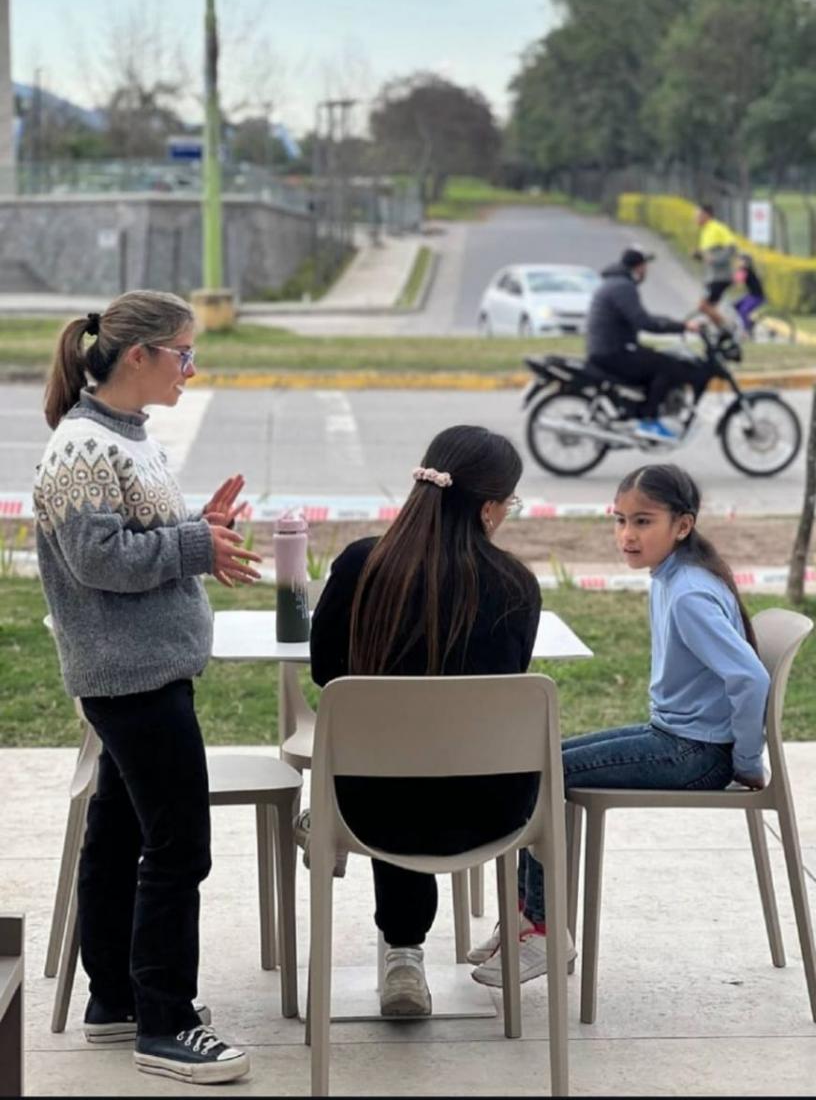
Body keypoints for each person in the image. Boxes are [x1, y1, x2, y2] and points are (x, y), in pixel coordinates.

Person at [34, 290, 263, 1085]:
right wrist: (196, 543)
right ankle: (164, 1022)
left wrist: (200, 530)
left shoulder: (124, 439)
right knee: (178, 846)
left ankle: (115, 1003)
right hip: (130, 677)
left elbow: (133, 540)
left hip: (146, 668)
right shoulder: (83, 448)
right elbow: (97, 561)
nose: (191, 370)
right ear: (139, 356)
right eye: (183, 354)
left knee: (122, 832)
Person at [469, 462, 770, 989]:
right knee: (535, 759)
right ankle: (525, 918)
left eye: (643, 522)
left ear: (682, 525)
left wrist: (746, 761)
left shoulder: (691, 593)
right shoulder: (673, 577)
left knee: (541, 771)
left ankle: (541, 928)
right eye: (620, 520)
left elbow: (750, 678)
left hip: (695, 754)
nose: (627, 536)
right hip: (677, 739)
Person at [309, 425, 542, 1019]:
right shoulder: (516, 585)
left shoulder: (362, 564)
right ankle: (416, 954)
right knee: (429, 765)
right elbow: (506, 684)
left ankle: (402, 953)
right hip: (495, 811)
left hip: (370, 814)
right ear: (490, 507)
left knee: (394, 768)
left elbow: (324, 675)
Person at [586, 246, 706, 441]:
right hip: (612, 352)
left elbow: (640, 320)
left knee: (655, 358)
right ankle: (649, 421)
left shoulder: (615, 283)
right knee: (667, 366)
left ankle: (645, 410)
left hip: (610, 348)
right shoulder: (623, 286)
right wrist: (682, 326)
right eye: (645, 266)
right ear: (639, 267)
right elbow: (644, 322)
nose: (646, 271)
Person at [693, 203, 737, 328]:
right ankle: (723, 332)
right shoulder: (704, 231)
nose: (695, 218)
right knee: (710, 309)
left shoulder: (718, 227)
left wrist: (715, 259)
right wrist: (699, 255)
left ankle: (729, 328)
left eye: (698, 215)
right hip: (712, 277)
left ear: (706, 215)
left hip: (721, 277)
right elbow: (707, 257)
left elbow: (732, 248)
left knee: (703, 306)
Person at [732, 252, 767, 335]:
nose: (739, 262)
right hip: (751, 295)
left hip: (757, 297)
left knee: (743, 311)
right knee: (735, 306)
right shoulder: (745, 270)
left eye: (741, 260)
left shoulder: (746, 271)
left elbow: (737, 281)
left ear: (746, 262)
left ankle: (746, 330)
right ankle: (750, 323)